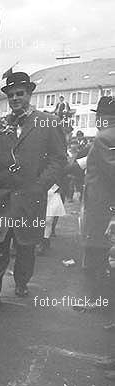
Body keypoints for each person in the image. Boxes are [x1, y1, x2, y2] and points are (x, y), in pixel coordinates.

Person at [0, 71, 66, 304]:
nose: (16, 98)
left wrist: (39, 185)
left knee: (26, 245)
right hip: (1, 197)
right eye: (12, 95)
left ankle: (21, 282)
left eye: (20, 94)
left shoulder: (48, 122)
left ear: (29, 94)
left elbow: (58, 160)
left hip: (30, 197)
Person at [80, 96, 115, 306]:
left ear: (102, 117)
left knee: (97, 253)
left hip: (102, 208)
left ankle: (98, 300)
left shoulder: (103, 138)